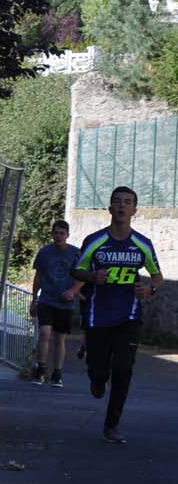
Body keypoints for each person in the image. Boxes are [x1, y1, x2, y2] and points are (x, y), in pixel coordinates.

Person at [66, 185, 163, 444]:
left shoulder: (142, 244)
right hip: (98, 316)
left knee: (123, 368)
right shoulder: (95, 241)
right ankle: (97, 379)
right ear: (110, 208)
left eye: (127, 202)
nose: (121, 206)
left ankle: (111, 425)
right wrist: (93, 276)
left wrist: (149, 288)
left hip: (129, 315)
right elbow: (76, 271)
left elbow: (157, 276)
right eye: (117, 202)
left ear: (134, 209)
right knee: (98, 369)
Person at [28, 220, 79, 387]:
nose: (59, 236)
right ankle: (41, 369)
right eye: (56, 233)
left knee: (60, 339)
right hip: (47, 299)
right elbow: (38, 276)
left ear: (67, 235)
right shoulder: (44, 253)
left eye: (62, 233)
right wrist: (34, 298)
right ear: (52, 234)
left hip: (65, 302)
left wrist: (73, 291)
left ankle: (57, 373)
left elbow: (83, 277)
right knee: (45, 333)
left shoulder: (75, 254)